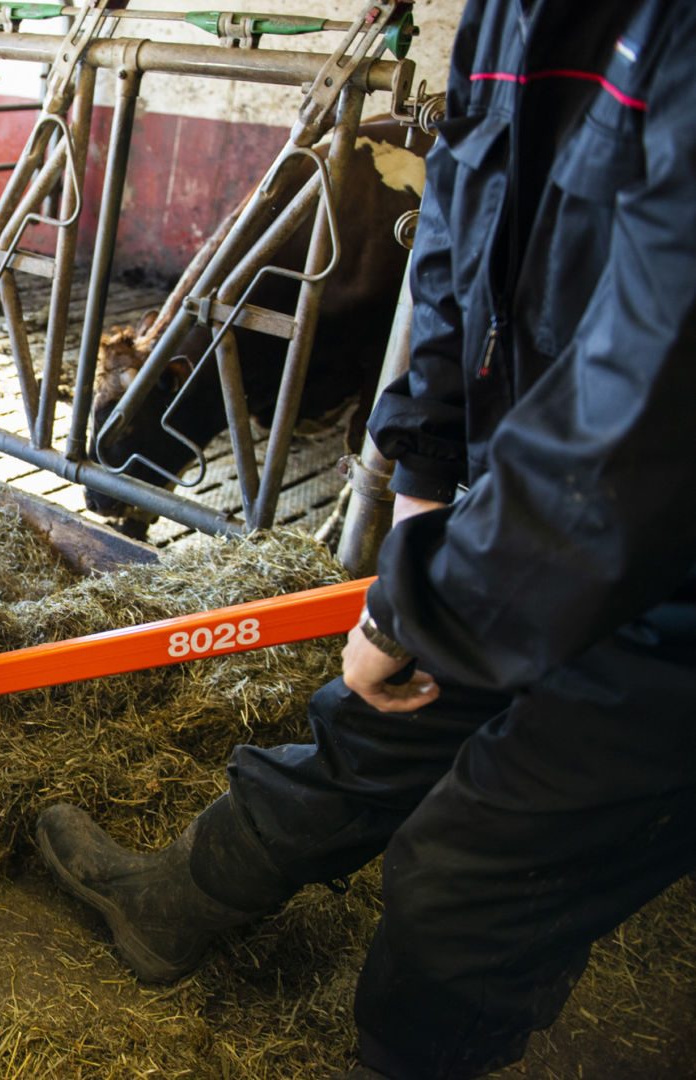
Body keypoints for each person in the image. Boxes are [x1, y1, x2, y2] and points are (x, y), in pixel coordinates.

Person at [35, 1, 696, 1077]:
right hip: (548, 488)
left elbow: (660, 385)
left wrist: (427, 605)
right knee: (379, 721)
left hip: (672, 582)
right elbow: (457, 237)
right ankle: (177, 904)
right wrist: (428, 484)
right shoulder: (513, 15)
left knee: (473, 876)